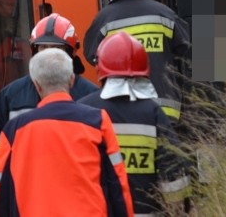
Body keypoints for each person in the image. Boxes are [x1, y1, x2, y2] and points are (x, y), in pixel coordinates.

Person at [0, 47, 133, 216]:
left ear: (36, 84)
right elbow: (118, 184)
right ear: (71, 80)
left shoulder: (14, 130)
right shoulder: (98, 121)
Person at [0, 13, 99, 181]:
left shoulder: (90, 95)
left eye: (55, 48)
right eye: (43, 48)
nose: (48, 54)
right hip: (25, 185)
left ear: (71, 53)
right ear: (34, 51)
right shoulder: (12, 95)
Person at [79, 32, 191, 216]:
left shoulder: (83, 110)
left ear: (101, 67)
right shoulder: (153, 112)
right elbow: (173, 169)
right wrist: (178, 211)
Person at [83, 0, 191, 122]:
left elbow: (91, 55)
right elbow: (185, 48)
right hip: (166, 107)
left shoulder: (104, 19)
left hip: (123, 112)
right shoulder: (164, 13)